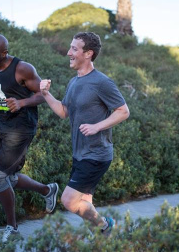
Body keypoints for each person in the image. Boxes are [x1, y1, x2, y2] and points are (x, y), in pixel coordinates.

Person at [39, 32, 130, 236]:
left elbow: (123, 111)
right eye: (70, 47)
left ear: (88, 53)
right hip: (80, 153)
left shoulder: (102, 82)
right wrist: (45, 94)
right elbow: (64, 111)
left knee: (69, 201)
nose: (69, 52)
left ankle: (106, 226)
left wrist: (98, 126)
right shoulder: (74, 82)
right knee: (84, 201)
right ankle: (100, 237)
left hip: (96, 154)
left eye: (74, 49)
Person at [0, 34, 59, 242]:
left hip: (21, 128)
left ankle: (13, 229)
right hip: (3, 125)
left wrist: (21, 103)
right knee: (8, 177)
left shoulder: (22, 69)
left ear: (4, 53)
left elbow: (43, 94)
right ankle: (48, 190)